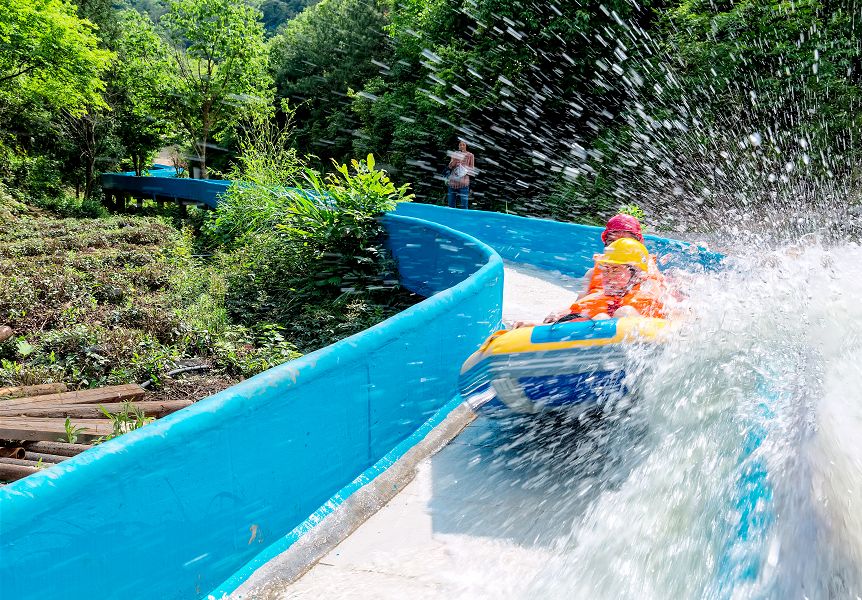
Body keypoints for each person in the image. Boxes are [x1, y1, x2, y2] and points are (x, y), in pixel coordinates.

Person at [565, 238, 667, 320]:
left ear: (636, 276)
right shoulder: (597, 301)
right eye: (605, 270)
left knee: (624, 312)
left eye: (615, 271)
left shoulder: (649, 301)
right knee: (601, 317)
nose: (608, 277)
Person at [447, 140, 474, 209]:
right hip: (452, 183)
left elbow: (472, 170)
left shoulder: (470, 155)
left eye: (463, 145)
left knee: (464, 206)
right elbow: (450, 166)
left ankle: (464, 219)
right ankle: (451, 218)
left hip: (464, 184)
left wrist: (464, 170)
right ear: (458, 146)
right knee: (451, 206)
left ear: (466, 146)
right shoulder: (454, 154)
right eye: (460, 145)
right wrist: (455, 159)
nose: (461, 146)